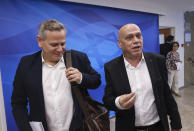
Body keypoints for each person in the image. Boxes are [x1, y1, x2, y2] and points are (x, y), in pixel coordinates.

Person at [11, 19, 101, 131]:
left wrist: (81, 77)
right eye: (54, 44)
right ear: (39, 41)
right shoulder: (26, 64)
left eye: (62, 44)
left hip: (78, 127)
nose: (60, 49)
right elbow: (18, 103)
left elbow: (96, 80)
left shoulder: (78, 58)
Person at [103, 24, 182, 131]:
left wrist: (176, 124)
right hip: (128, 127)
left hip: (158, 127)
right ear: (120, 44)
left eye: (138, 36)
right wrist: (119, 102)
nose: (136, 40)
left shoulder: (157, 60)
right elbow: (107, 100)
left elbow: (166, 94)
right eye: (129, 37)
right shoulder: (111, 67)